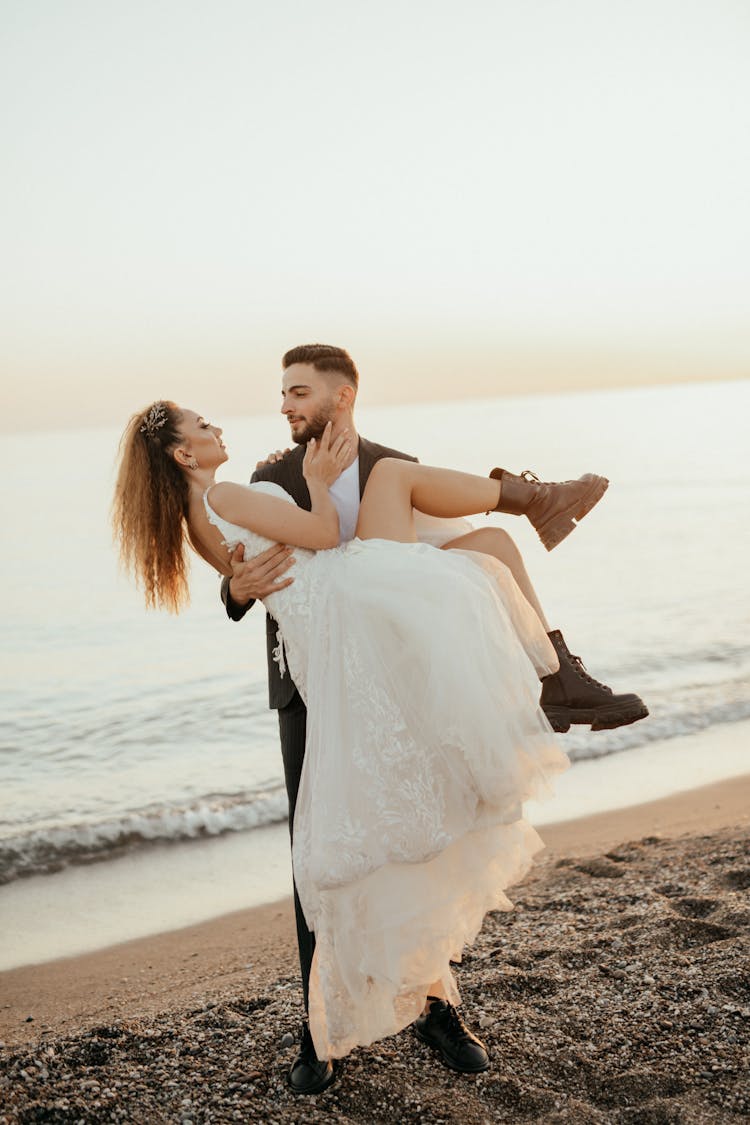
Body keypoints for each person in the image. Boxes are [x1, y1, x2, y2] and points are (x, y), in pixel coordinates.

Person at [113, 389, 645, 1094]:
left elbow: (282, 552)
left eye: (297, 391)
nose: (276, 408)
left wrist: (280, 534)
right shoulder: (255, 482)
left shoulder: (234, 498)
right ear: (183, 452)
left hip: (339, 636)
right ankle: (321, 1029)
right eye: (201, 424)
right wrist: (276, 533)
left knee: (485, 547)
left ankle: (560, 676)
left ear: (341, 393)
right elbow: (303, 549)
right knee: (342, 835)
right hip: (342, 629)